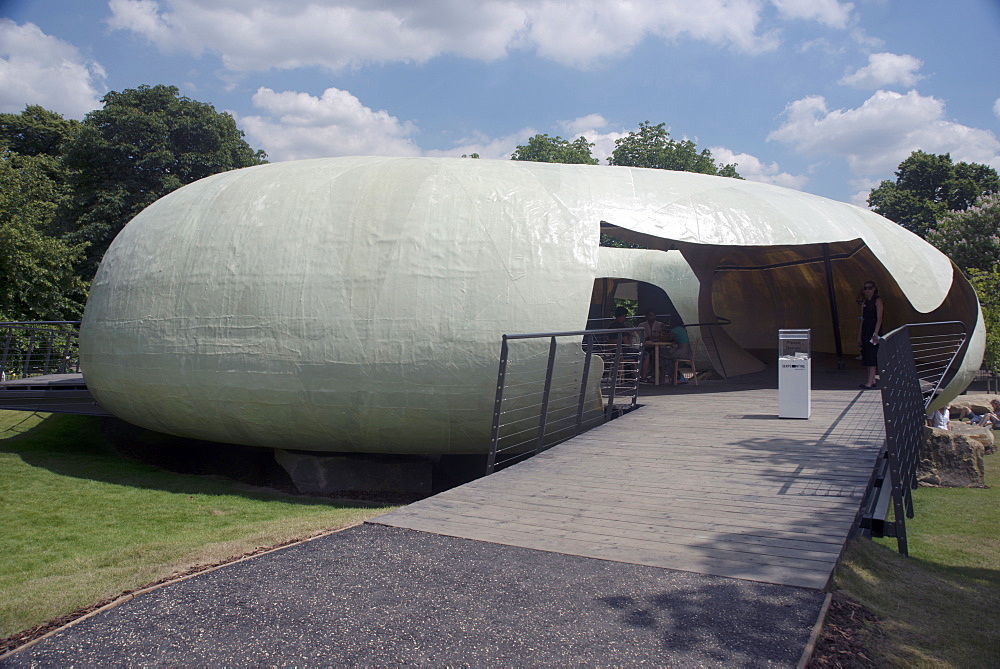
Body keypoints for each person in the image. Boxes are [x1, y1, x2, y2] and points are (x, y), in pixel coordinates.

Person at [857, 280, 884, 389]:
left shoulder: (878, 301)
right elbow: (862, 320)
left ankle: (869, 381)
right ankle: (872, 380)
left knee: (872, 355)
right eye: (865, 288)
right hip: (866, 329)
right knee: (867, 354)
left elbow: (879, 318)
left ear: (874, 289)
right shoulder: (864, 303)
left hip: (873, 330)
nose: (867, 290)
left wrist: (876, 333)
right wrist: (859, 335)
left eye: (869, 288)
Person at [638, 310, 667, 383]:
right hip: (646, 346)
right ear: (647, 316)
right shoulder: (641, 325)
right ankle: (646, 375)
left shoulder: (660, 325)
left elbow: (664, 336)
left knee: (660, 355)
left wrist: (657, 336)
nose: (652, 317)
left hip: (658, 346)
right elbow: (638, 337)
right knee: (647, 355)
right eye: (650, 315)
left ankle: (658, 376)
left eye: (653, 315)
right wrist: (647, 338)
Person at [663, 320, 693, 384]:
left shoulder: (675, 330)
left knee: (663, 355)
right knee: (668, 359)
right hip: (687, 353)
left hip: (681, 353)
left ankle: (675, 377)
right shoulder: (682, 329)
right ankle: (677, 377)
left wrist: (664, 332)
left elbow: (668, 338)